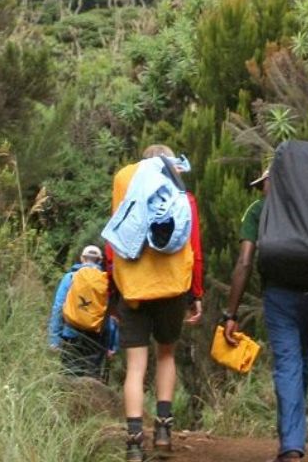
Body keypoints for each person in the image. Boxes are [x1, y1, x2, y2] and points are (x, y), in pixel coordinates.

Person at [104, 145, 205, 461]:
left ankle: (134, 443)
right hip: (173, 288)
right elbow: (195, 251)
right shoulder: (182, 198)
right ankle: (163, 431)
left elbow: (113, 247)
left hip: (133, 289)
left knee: (135, 366)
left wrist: (112, 296)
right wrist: (195, 295)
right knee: (166, 355)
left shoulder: (125, 191)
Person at [222, 163, 308, 462]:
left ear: (276, 181)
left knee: (288, 363)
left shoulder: (259, 210)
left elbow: (244, 262)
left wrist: (230, 314)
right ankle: (292, 436)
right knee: (300, 360)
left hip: (280, 295)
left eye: (263, 184)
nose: (260, 190)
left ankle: (291, 446)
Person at [50, 244, 117, 380]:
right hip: (96, 339)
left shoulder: (70, 277)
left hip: (70, 335)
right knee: (91, 380)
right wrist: (112, 346)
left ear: (82, 258)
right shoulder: (105, 282)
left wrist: (54, 340)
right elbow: (110, 316)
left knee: (69, 378)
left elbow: (58, 307)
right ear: (100, 260)